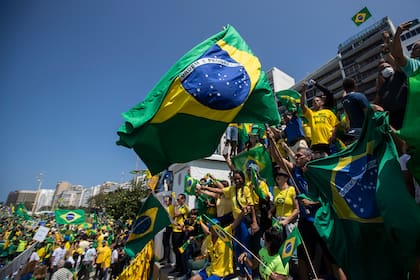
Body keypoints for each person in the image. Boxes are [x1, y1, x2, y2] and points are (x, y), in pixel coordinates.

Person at [190, 212, 244, 280]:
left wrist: (243, 212)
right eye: (214, 227)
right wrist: (200, 222)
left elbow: (234, 224)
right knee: (193, 279)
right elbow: (206, 233)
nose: (217, 228)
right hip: (211, 269)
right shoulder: (208, 239)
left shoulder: (224, 235)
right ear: (210, 229)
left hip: (222, 272)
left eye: (218, 226)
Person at [373, 32, 408, 130]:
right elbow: (376, 100)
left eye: (387, 66)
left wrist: (387, 43)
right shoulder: (382, 89)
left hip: (407, 113)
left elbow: (395, 59)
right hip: (394, 121)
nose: (386, 68)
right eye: (382, 69)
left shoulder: (399, 75)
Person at [300, 82, 339, 158]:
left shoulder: (329, 112)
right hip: (315, 144)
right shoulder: (311, 114)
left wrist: (333, 136)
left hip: (328, 142)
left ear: (322, 102)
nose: (315, 102)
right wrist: (303, 91)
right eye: (313, 102)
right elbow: (302, 105)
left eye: (317, 100)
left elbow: (336, 125)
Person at [270, 169, 300, 238]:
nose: (277, 177)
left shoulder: (291, 189)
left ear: (286, 178)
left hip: (289, 222)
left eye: (280, 175)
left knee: (289, 246)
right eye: (276, 175)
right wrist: (270, 211)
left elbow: (297, 209)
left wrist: (287, 220)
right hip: (278, 222)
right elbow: (276, 205)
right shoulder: (275, 190)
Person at [169, 193, 189, 277]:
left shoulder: (185, 208)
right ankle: (177, 266)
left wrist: (175, 207)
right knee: (175, 249)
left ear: (183, 199)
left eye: (179, 199)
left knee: (179, 251)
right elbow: (174, 215)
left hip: (180, 232)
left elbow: (177, 214)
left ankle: (181, 269)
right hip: (175, 230)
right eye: (177, 199)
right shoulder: (179, 207)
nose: (177, 201)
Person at [159, 195, 174, 265]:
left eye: (166, 201)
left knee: (166, 242)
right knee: (164, 242)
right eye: (164, 201)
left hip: (169, 227)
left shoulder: (171, 207)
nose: (165, 202)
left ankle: (167, 258)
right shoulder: (167, 207)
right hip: (165, 227)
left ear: (170, 201)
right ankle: (164, 257)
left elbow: (170, 217)